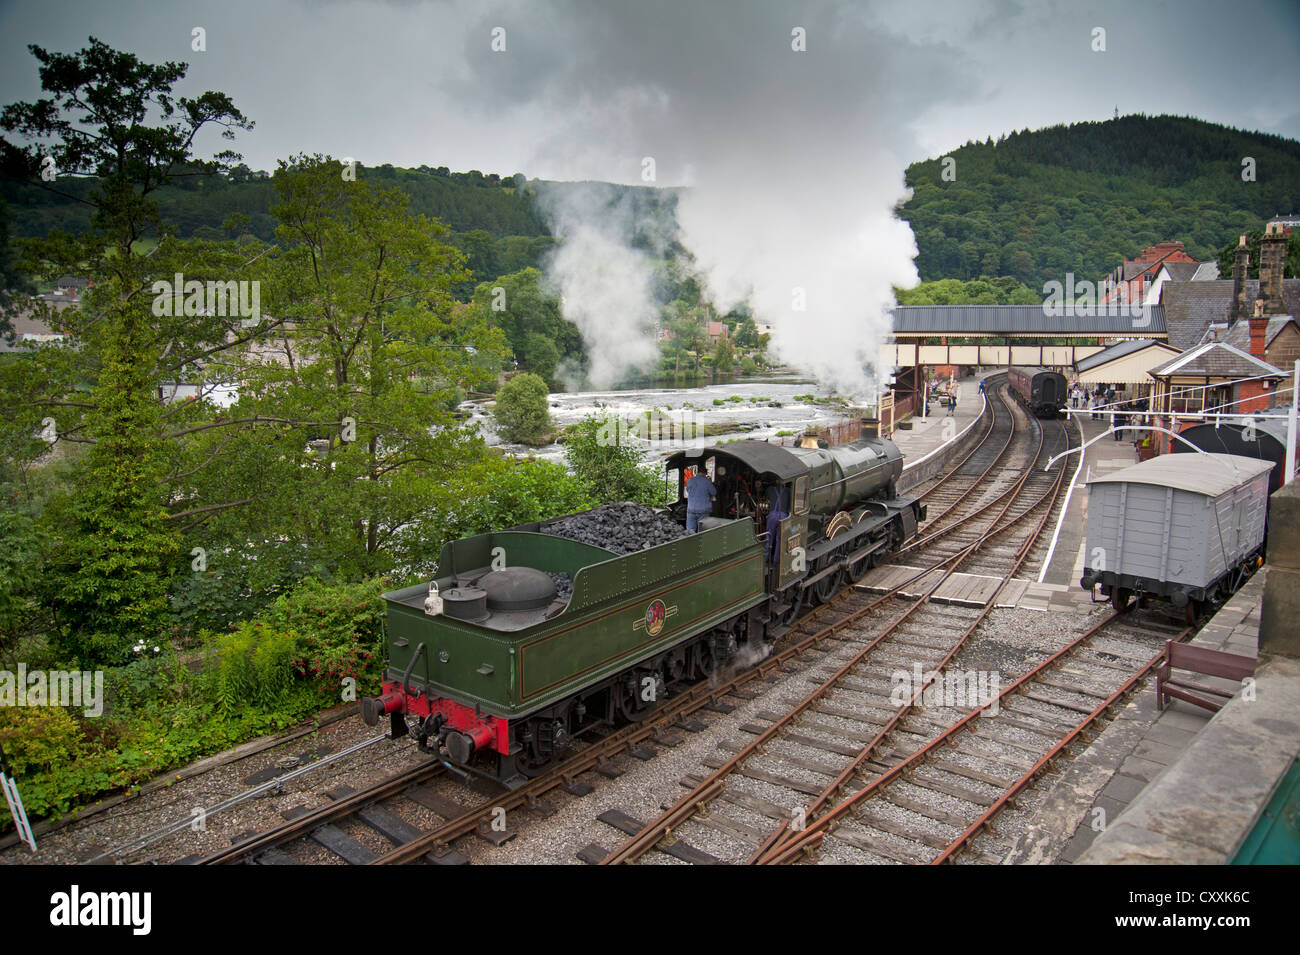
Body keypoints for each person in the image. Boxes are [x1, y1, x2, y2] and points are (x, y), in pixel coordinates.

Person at [685, 467, 717, 533]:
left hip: (691, 509)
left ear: (698, 473)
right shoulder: (707, 481)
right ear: (705, 473)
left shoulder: (690, 480)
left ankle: (690, 541)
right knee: (702, 531)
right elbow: (714, 492)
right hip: (703, 510)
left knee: (690, 530)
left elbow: (688, 490)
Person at [765, 482, 789, 563]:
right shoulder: (788, 491)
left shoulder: (770, 489)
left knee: (768, 537)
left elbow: (767, 500)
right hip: (783, 516)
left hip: (772, 515)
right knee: (779, 539)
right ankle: (776, 560)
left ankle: (766, 557)